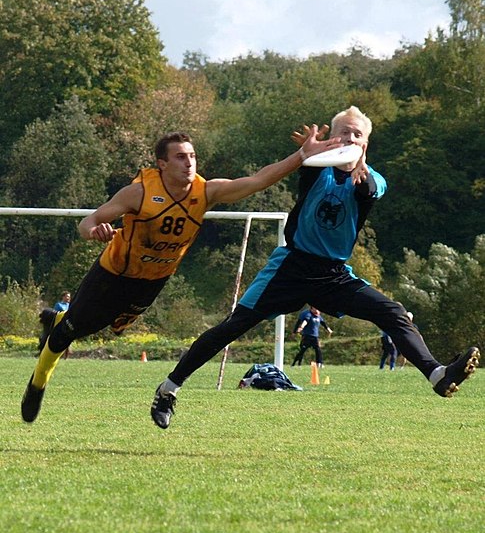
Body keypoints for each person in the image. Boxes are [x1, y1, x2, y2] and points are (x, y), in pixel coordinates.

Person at [150, 106, 480, 430]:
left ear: (365, 144)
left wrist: (359, 164)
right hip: (291, 267)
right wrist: (308, 151)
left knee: (392, 312)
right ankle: (168, 389)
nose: (349, 137)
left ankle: (438, 375)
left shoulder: (372, 179)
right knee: (232, 327)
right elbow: (308, 164)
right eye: (343, 132)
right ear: (331, 139)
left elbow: (366, 190)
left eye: (357, 134)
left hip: (333, 274)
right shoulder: (316, 169)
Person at [21, 129, 344, 423]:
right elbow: (87, 222)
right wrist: (96, 231)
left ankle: (58, 324)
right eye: (180, 157)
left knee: (108, 328)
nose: (189, 163)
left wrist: (302, 156)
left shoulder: (205, 192)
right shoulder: (139, 193)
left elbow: (257, 180)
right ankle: (38, 381)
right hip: (114, 272)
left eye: (192, 156)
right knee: (72, 332)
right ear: (162, 164)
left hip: (154, 280)